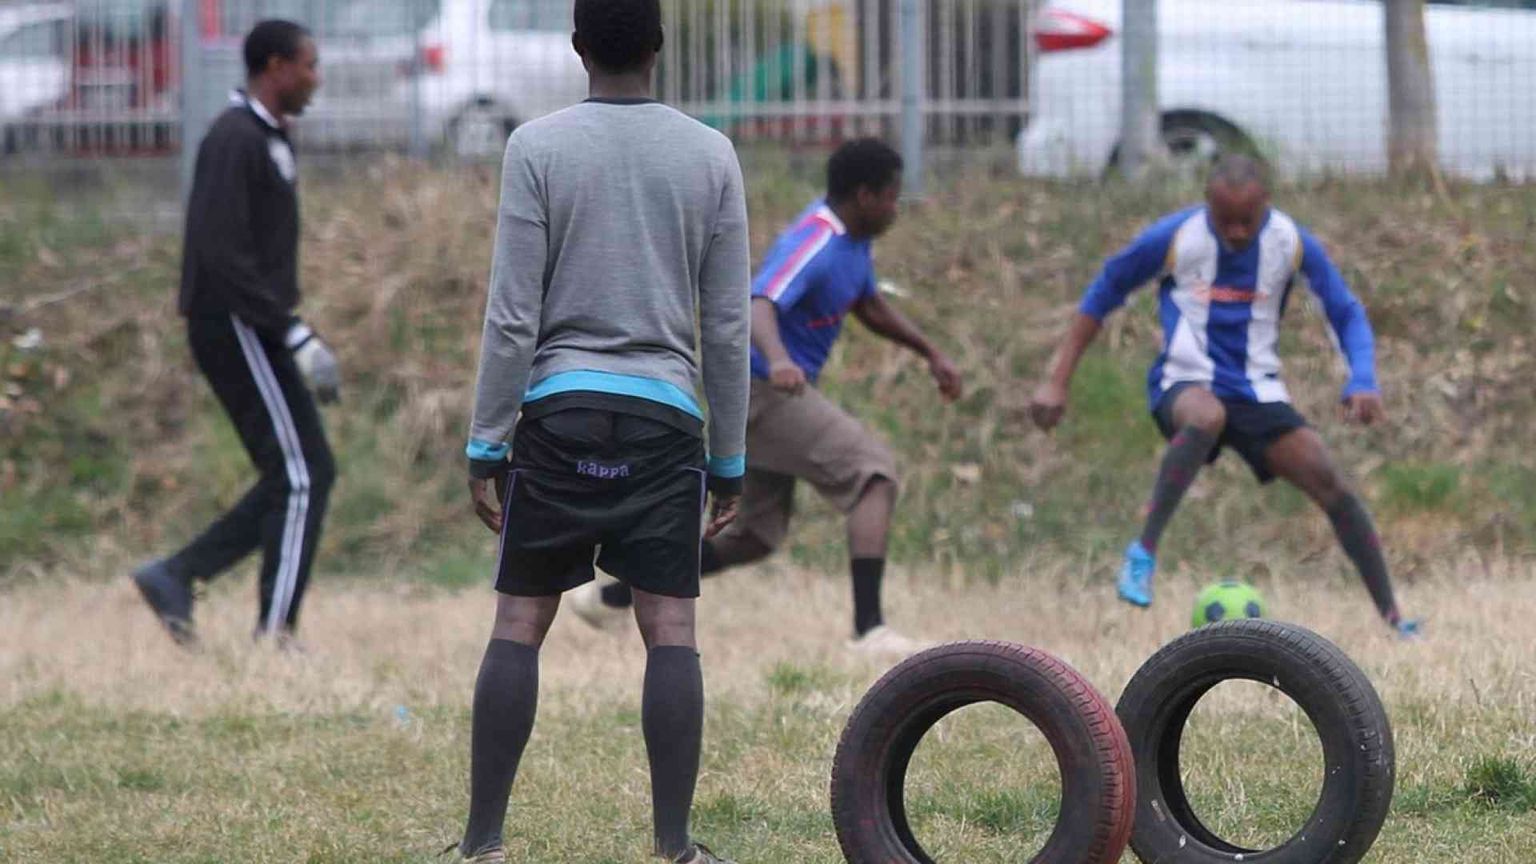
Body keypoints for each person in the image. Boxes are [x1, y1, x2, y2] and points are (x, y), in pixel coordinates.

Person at [453, 0, 749, 861]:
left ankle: (482, 841)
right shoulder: (711, 155)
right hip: (665, 420)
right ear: (660, 46)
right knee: (670, 630)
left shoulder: (535, 148)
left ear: (576, 46)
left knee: (519, 621)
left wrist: (487, 440)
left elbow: (512, 316)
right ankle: (674, 846)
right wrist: (728, 461)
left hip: (558, 412)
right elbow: (726, 326)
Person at [575, 138, 964, 656]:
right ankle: (870, 629)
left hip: (769, 395)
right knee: (874, 474)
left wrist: (929, 351)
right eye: (893, 197)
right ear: (866, 195)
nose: (897, 209)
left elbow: (868, 306)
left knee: (752, 537)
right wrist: (780, 359)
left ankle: (609, 597)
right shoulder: (816, 240)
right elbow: (760, 300)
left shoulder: (854, 241)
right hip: (765, 393)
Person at [1029, 155, 1419, 637]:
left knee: (1328, 479)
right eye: (1224, 219)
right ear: (1207, 204)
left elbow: (1345, 311)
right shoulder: (1176, 238)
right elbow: (1104, 292)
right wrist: (1057, 378)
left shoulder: (1290, 242)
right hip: (1183, 381)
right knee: (1206, 415)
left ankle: (1395, 618)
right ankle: (1143, 553)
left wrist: (1363, 377)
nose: (1235, 232)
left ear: (1267, 204)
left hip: (1257, 390)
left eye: (1246, 221)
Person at [132, 20, 335, 648]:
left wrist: (289, 328)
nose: (315, 76)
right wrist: (293, 334)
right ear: (274, 66)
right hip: (235, 324)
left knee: (307, 472)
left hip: (257, 324)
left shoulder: (271, 137)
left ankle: (177, 574)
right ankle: (276, 635)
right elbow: (221, 254)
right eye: (307, 64)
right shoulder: (234, 138)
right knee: (299, 476)